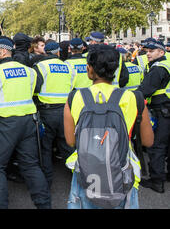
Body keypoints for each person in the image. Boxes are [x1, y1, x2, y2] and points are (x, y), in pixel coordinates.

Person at [64, 44, 154, 209]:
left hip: (86, 172)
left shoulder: (75, 97)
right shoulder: (134, 98)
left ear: (89, 69)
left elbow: (70, 141)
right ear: (115, 69)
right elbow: (148, 141)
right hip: (122, 172)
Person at [0, 37, 51, 209]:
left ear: (3, 51)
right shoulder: (29, 71)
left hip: (7, 124)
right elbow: (38, 87)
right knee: (31, 166)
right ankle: (44, 205)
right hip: (29, 122)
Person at [32, 42, 74, 187]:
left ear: (45, 52)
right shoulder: (69, 66)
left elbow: (35, 88)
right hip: (66, 111)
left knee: (45, 147)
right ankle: (78, 179)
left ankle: (47, 182)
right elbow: (72, 86)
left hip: (47, 112)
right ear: (57, 52)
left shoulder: (41, 67)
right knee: (68, 145)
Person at [137, 39, 170, 193]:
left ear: (161, 52)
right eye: (147, 51)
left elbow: (144, 90)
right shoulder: (166, 64)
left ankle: (157, 181)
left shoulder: (158, 69)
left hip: (161, 111)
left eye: (151, 51)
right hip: (166, 109)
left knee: (156, 145)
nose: (147, 54)